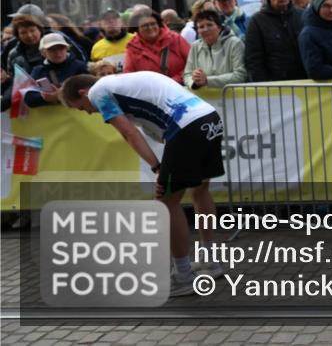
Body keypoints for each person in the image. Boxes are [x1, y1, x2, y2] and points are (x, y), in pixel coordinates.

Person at [60, 72, 226, 297]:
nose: (89, 112)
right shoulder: (123, 84)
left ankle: (184, 276)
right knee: (200, 190)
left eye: (82, 107)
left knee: (166, 202)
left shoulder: (99, 91)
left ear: (83, 93)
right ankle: (210, 261)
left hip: (188, 125)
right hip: (209, 117)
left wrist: (157, 168)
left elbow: (128, 133)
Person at [244, 0, 307, 82]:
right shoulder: (257, 21)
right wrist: (265, 86)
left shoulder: (302, 16)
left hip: (304, 84)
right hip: (274, 88)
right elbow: (253, 60)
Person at [183, 10, 248, 90]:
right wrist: (195, 82)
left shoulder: (235, 43)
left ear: (219, 27)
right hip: (204, 99)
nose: (205, 29)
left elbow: (240, 75)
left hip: (232, 99)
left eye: (210, 25)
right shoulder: (195, 46)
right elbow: (187, 75)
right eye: (201, 27)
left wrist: (207, 80)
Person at [124, 9, 190, 83]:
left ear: (159, 24)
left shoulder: (175, 39)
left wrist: (175, 80)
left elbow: (192, 64)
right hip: (150, 92)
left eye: (153, 23)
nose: (150, 27)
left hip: (181, 87)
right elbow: (129, 76)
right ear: (137, 29)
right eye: (145, 26)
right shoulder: (132, 47)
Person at [24, 33, 89, 108]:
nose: (58, 52)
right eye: (51, 49)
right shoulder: (38, 70)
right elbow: (28, 98)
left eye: (61, 48)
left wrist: (60, 95)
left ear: (67, 49)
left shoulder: (80, 66)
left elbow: (90, 92)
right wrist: (44, 97)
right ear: (43, 52)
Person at [1, 16, 48, 110]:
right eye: (23, 33)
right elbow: (13, 79)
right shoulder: (13, 54)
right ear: (18, 35)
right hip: (27, 103)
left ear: (40, 30)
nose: (29, 35)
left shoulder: (54, 46)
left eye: (32, 30)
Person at [90, 8, 133, 73]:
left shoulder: (135, 39)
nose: (111, 22)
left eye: (115, 19)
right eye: (106, 20)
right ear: (101, 25)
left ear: (121, 22)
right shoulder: (97, 48)